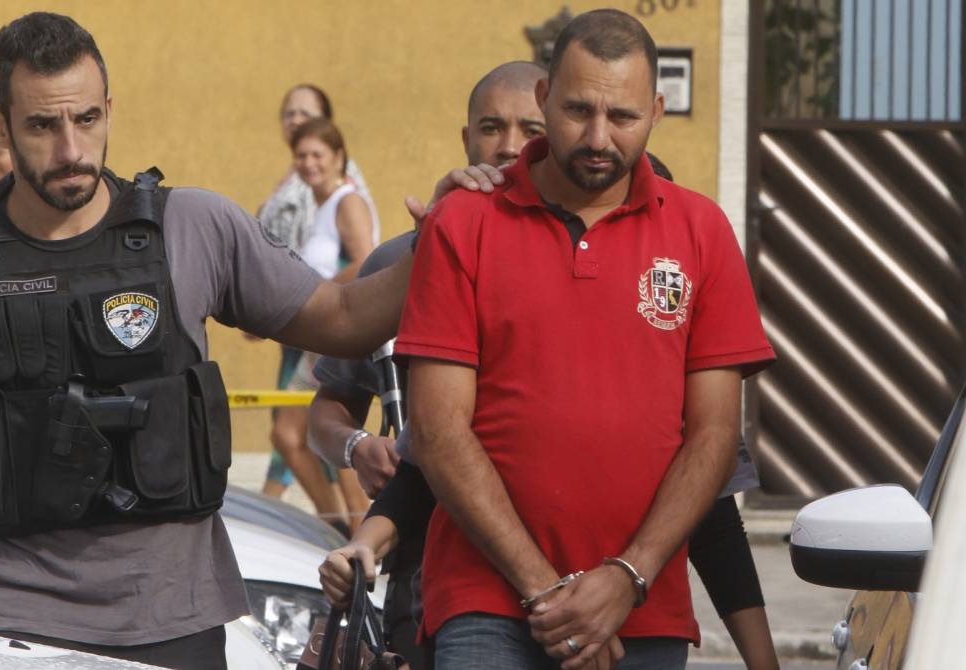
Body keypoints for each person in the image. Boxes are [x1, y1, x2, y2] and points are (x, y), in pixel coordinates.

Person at [0, 13, 415, 670]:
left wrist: (449, 238)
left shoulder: (195, 227)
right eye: (42, 125)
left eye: (87, 120)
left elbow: (344, 316)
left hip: (173, 624)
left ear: (110, 109)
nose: (70, 150)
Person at [397, 10, 775, 670]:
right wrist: (547, 590)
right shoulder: (464, 223)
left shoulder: (702, 232)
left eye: (623, 117)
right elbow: (436, 431)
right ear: (545, 100)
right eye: (577, 111)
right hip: (486, 601)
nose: (598, 137)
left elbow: (714, 437)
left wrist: (627, 576)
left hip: (640, 608)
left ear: (657, 110)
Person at [311, 60, 547, 668]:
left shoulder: (568, 260)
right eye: (491, 126)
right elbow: (327, 411)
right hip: (420, 573)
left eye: (530, 127)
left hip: (557, 571)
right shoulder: (396, 261)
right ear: (465, 138)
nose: (509, 145)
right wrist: (358, 445)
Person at [257, 84, 376, 529]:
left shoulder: (347, 201)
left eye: (317, 155)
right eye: (301, 156)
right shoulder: (322, 204)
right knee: (291, 435)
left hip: (335, 339)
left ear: (338, 156)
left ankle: (359, 526)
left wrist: (316, 288)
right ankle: (340, 524)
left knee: (319, 436)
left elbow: (368, 260)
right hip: (315, 340)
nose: (308, 164)